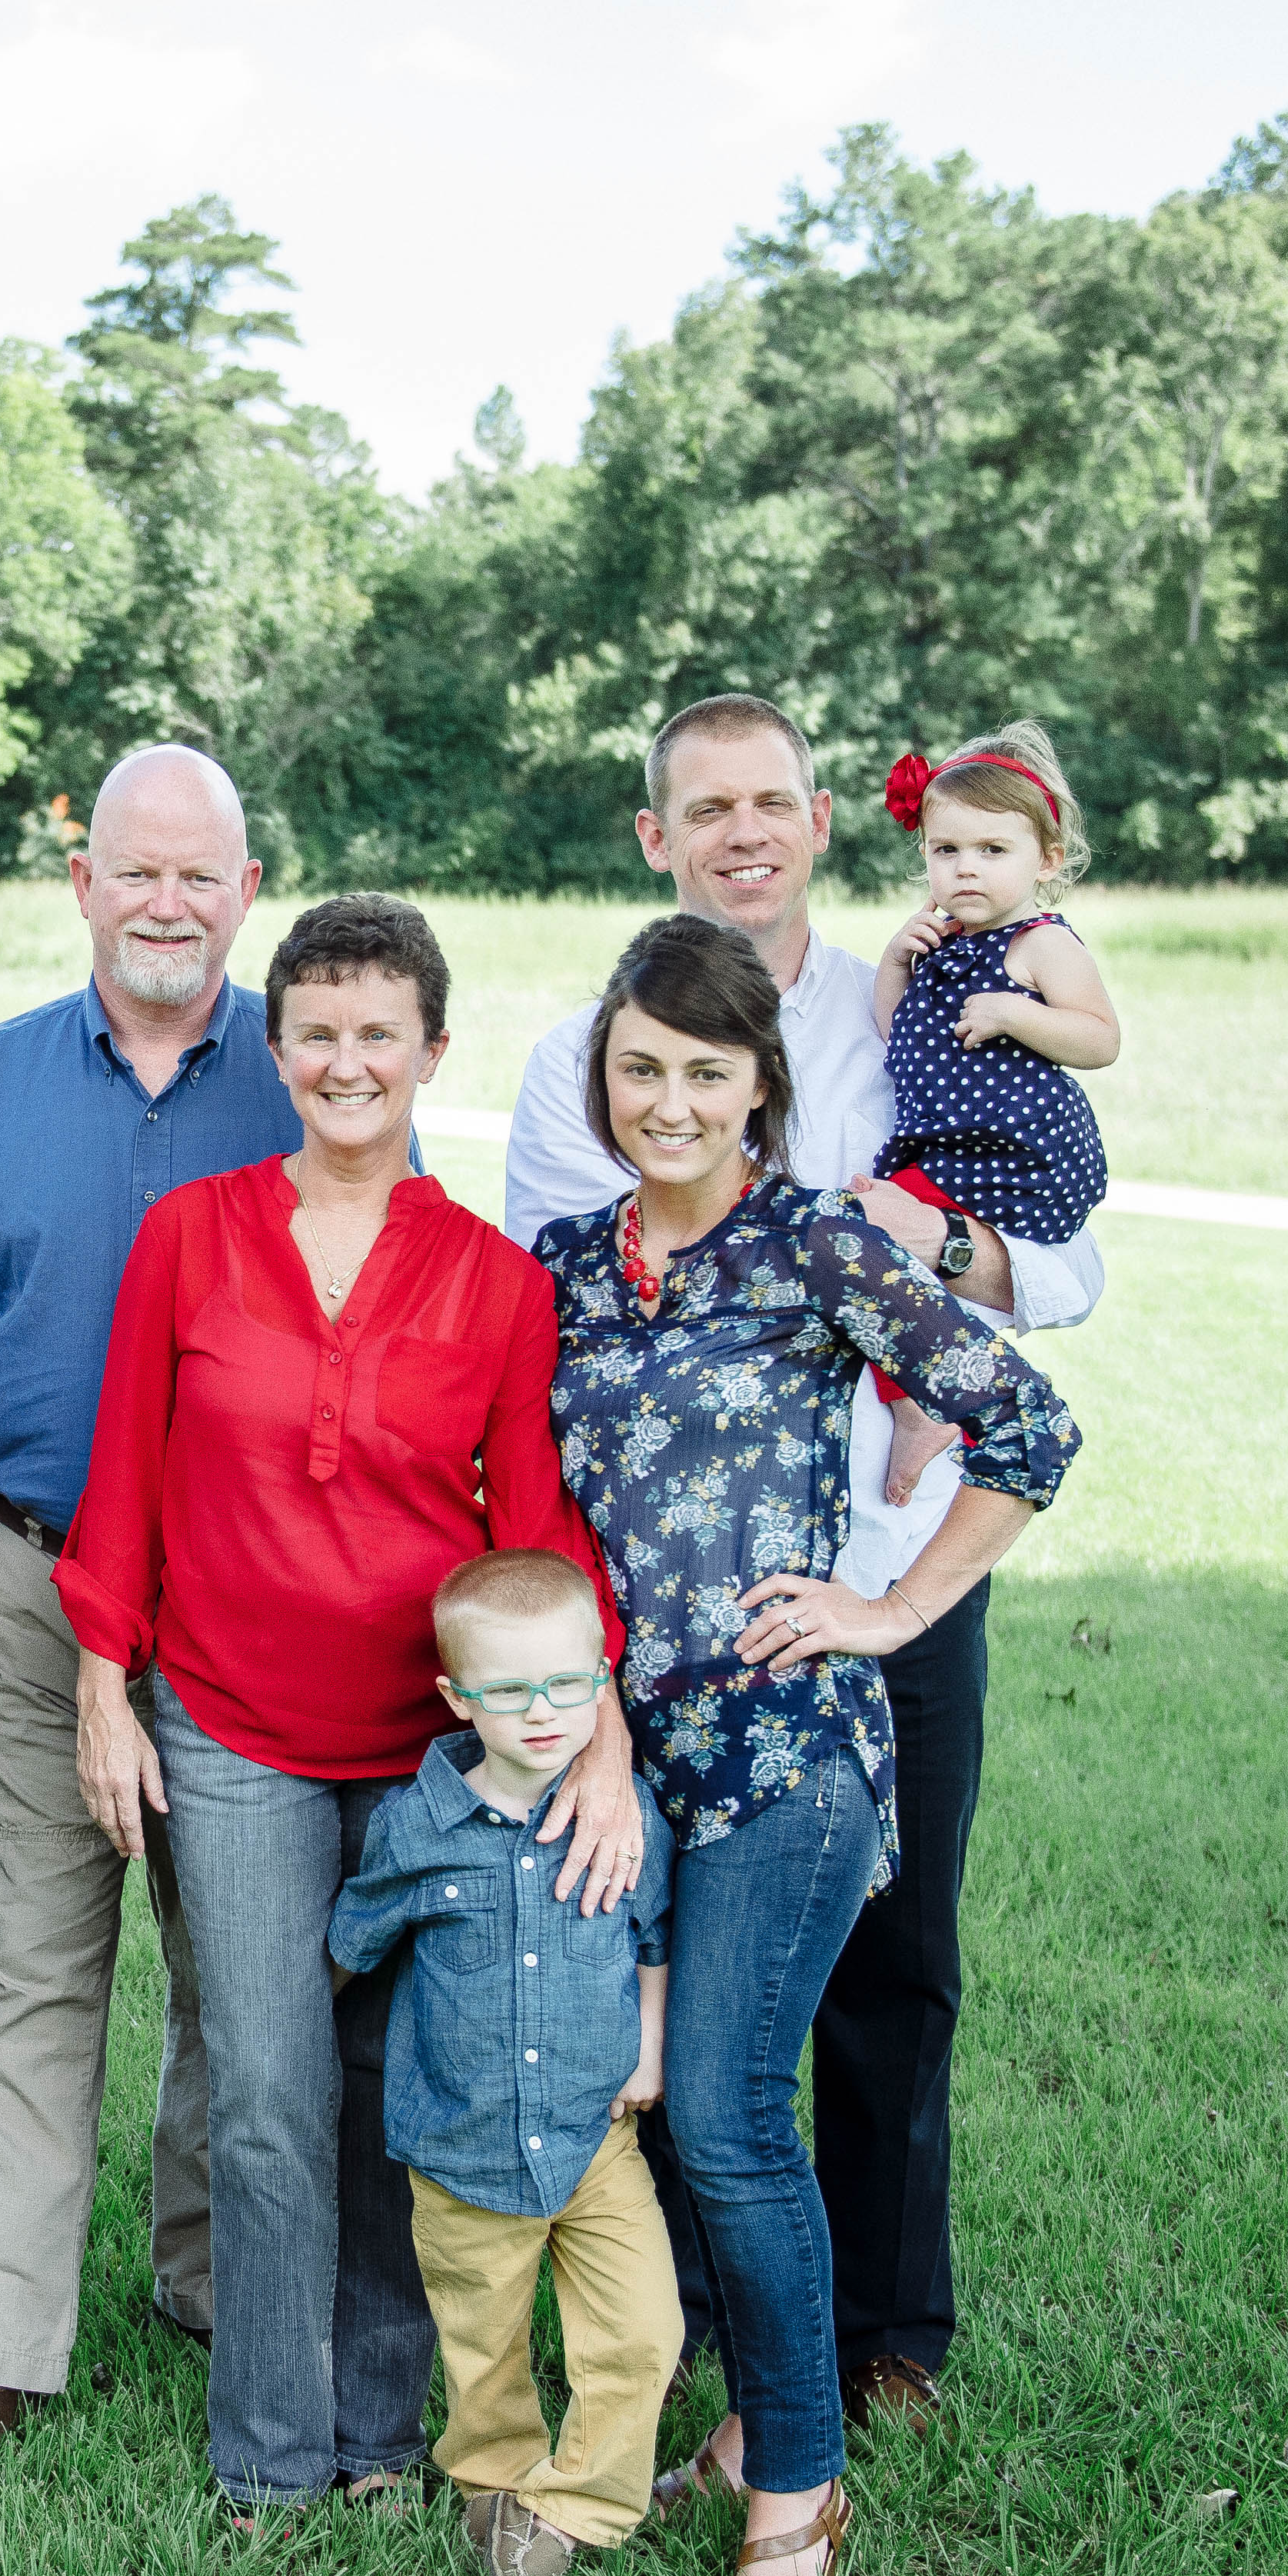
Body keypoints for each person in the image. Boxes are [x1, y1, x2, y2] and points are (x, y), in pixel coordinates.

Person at [497, 691, 1103, 2440]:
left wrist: (944, 1254)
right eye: (707, 810)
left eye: (772, 802)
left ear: (823, 819)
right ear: (657, 840)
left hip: (895, 1563)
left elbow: (1060, 1267)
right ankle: (694, 2329)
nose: (742, 833)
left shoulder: (915, 1009)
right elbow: (592, 1308)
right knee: (686, 1968)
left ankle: (887, 2330)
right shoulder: (583, 1059)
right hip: (685, 1610)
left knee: (895, 1962)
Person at [54, 893, 640, 2518]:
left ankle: (383, 2432)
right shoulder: (191, 1235)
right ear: (276, 1046)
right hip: (229, 1724)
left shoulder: (496, 1283)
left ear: (429, 1052)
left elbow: (533, 1529)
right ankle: (267, 2454)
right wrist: (106, 1691)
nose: (344, 1060)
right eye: (314, 1031)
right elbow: (125, 1484)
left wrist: (593, 1739)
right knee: (264, 2087)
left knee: (401, 2088)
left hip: (431, 1754)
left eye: (378, 1032)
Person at [0, 744, 275, 2478]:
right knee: (12, 1956)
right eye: (137, 869)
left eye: (201, 873)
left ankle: (222, 2291)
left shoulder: (315, 1067)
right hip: (26, 1573)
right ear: (84, 884)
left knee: (248, 1971)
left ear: (246, 890)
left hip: (248, 1590)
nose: (167, 901)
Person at [329, 1551, 678, 2576]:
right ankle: (493, 2479)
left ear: (600, 1680)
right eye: (507, 1689)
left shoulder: (628, 1816)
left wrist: (650, 2047)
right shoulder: (415, 1828)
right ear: (454, 1697)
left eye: (567, 1683)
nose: (541, 1711)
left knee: (640, 2331)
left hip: (594, 2138)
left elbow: (652, 1935)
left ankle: (575, 2502)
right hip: (458, 2143)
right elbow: (352, 1939)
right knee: (482, 2348)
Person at [866, 721, 1120, 1504]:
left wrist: (1016, 1015)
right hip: (948, 1150)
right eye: (946, 851)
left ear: (1045, 859)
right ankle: (928, 1395)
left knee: (872, 1246)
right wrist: (894, 960)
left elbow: (1099, 1036)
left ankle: (924, 1408)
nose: (965, 867)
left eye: (991, 850)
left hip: (1013, 1151)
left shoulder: (1039, 944)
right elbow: (889, 1026)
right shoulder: (939, 941)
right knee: (867, 1249)